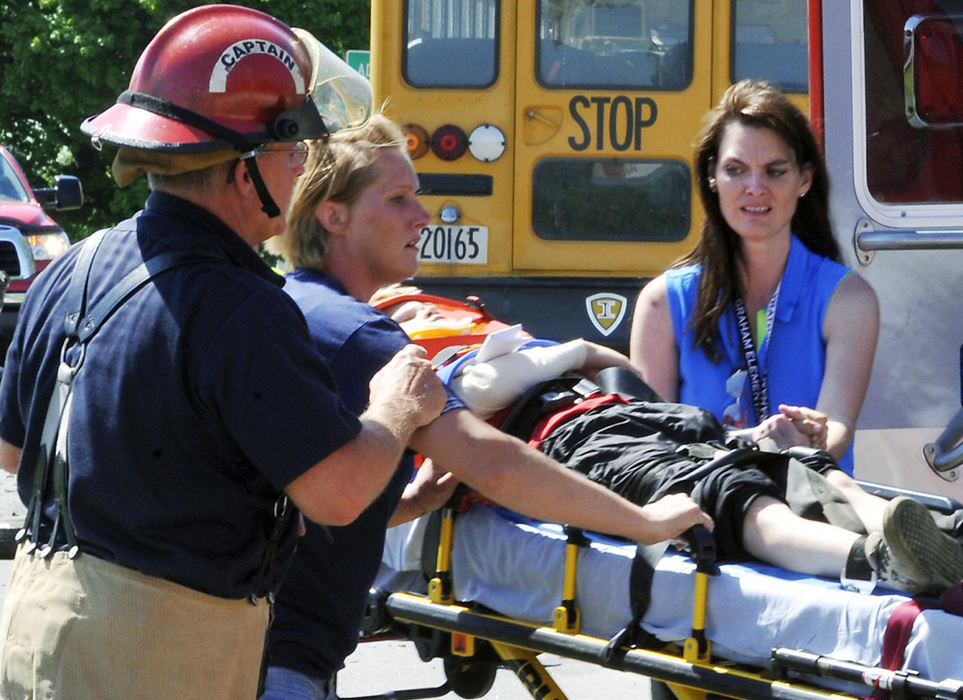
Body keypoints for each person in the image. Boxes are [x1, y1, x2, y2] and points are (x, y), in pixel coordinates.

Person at [0, 7, 448, 699]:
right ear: (244, 173)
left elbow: (12, 450)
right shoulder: (244, 306)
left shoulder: (75, 265)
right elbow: (336, 494)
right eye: (294, 150)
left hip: (36, 635)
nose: (304, 167)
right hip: (161, 657)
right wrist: (395, 406)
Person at [260, 114, 713, 699]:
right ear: (333, 215)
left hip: (263, 648)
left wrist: (406, 503)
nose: (421, 216)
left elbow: (302, 500)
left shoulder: (295, 307)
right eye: (399, 199)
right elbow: (492, 463)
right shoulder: (361, 337)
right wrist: (645, 523)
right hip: (286, 667)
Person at [375, 291, 963, 600]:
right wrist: (568, 357)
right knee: (723, 492)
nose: (422, 307)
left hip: (630, 415)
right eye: (408, 308)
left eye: (424, 303)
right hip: (571, 441)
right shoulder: (417, 370)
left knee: (779, 457)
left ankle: (901, 527)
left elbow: (605, 365)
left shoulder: (485, 347)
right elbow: (499, 388)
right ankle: (876, 563)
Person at [630, 79, 878, 481]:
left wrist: (812, 440)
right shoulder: (662, 302)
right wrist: (752, 441)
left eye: (775, 171)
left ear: (804, 179)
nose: (755, 188)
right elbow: (649, 446)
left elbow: (837, 428)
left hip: (810, 506)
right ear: (712, 176)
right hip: (703, 513)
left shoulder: (848, 299)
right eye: (736, 170)